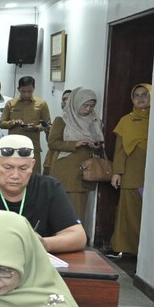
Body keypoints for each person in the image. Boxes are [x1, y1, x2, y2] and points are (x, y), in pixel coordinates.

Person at [47, 87, 103, 225]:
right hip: (66, 170)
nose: (88, 109)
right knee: (63, 208)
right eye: (85, 105)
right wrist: (75, 144)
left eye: (92, 106)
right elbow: (52, 143)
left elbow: (100, 140)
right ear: (76, 102)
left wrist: (96, 146)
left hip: (86, 171)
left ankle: (76, 235)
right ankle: (61, 235)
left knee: (79, 209)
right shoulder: (62, 120)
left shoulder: (94, 121)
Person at [110, 83, 152, 256]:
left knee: (150, 214)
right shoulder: (126, 121)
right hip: (132, 174)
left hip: (153, 175)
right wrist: (117, 172)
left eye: (145, 94)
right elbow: (119, 149)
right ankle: (126, 249)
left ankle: (148, 251)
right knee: (130, 213)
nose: (140, 98)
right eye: (136, 95)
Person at [0, 76, 51, 168]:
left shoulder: (41, 104)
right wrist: (13, 122)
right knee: (13, 171)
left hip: (32, 146)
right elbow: (1, 123)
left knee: (33, 173)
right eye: (23, 91)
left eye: (29, 91)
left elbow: (47, 125)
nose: (26, 94)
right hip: (14, 146)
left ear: (34, 88)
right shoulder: (11, 103)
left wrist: (36, 127)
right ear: (18, 89)